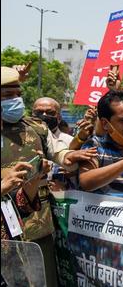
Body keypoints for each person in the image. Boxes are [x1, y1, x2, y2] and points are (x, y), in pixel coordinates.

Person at [2, 65, 96, 287]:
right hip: (3, 228)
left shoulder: (36, 127)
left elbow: (57, 152)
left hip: (35, 223)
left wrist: (70, 156)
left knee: (41, 279)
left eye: (18, 94)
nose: (15, 100)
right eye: (7, 95)